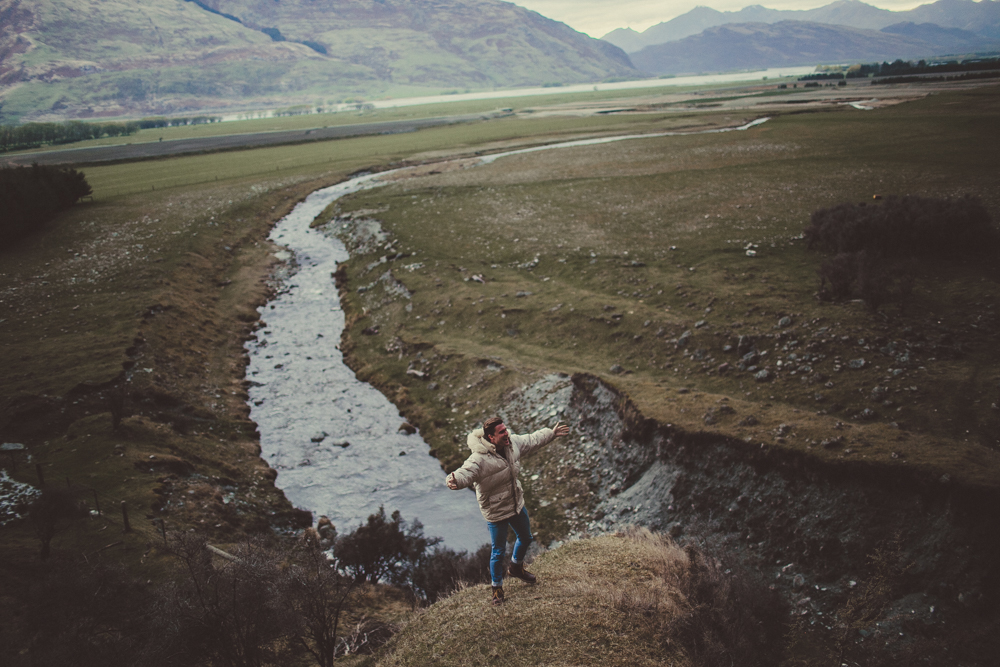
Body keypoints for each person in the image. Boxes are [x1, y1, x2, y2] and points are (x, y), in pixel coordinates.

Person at [446, 416, 571, 606]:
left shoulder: (512, 444)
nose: (507, 434)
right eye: (502, 432)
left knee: (526, 537)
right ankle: (497, 589)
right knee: (498, 551)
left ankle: (516, 567)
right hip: (495, 510)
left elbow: (531, 440)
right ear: (490, 437)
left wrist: (551, 434)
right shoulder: (479, 458)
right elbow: (466, 472)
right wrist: (454, 480)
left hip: (514, 503)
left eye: (506, 429)